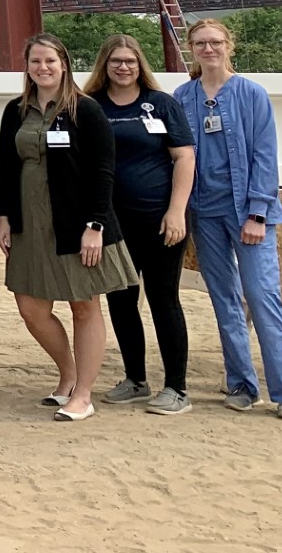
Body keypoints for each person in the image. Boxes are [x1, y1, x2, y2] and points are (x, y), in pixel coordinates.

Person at [0, 32, 138, 422]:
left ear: (64, 64)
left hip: (78, 225)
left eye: (50, 61)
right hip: (30, 224)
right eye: (36, 61)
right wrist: (5, 217)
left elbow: (104, 171)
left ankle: (84, 395)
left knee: (83, 305)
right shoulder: (16, 111)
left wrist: (95, 225)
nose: (43, 68)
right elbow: (7, 167)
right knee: (30, 306)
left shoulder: (86, 110)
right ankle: (69, 375)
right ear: (26, 67)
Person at [176, 18, 282, 419]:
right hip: (205, 213)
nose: (208, 49)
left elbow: (265, 156)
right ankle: (241, 384)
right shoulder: (183, 97)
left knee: (263, 298)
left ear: (229, 45)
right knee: (224, 300)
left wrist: (257, 212)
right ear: (191, 49)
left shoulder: (252, 94)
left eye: (215, 42)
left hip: (249, 213)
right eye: (200, 43)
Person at [85, 34, 195, 416]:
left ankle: (177, 388)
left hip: (161, 220)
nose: (123, 67)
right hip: (114, 223)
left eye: (130, 61)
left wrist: (176, 211)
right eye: (115, 60)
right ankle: (135, 379)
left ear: (140, 65)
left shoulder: (161, 104)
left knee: (164, 299)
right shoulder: (91, 106)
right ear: (105, 64)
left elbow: (184, 158)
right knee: (121, 299)